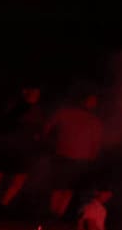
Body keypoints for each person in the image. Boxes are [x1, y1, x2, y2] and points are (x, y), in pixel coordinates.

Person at [45, 90, 105, 218]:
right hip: (63, 155)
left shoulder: (94, 121)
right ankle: (51, 213)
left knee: (69, 189)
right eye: (90, 100)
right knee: (58, 187)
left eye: (94, 102)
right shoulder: (66, 113)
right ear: (82, 100)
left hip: (82, 160)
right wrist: (48, 142)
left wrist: (92, 158)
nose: (92, 104)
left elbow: (96, 142)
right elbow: (48, 127)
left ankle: (58, 214)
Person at [0, 85, 45, 208]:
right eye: (34, 92)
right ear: (26, 92)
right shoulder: (14, 105)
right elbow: (5, 123)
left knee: (19, 180)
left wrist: (37, 141)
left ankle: (3, 205)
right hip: (8, 147)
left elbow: (38, 130)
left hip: (24, 151)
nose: (36, 95)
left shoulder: (37, 111)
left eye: (38, 93)